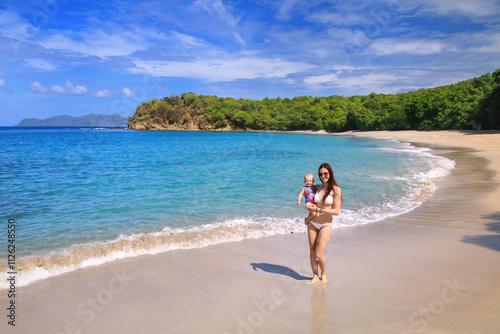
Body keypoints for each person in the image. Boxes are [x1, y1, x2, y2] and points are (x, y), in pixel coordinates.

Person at [304, 163, 342, 285]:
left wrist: (320, 210)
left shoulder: (336, 189)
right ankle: (315, 275)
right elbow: (307, 196)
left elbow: (336, 211)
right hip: (313, 223)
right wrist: (308, 206)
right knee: (312, 251)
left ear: (330, 173)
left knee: (319, 254)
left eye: (325, 173)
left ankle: (323, 274)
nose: (323, 176)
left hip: (326, 224)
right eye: (320, 174)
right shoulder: (317, 187)